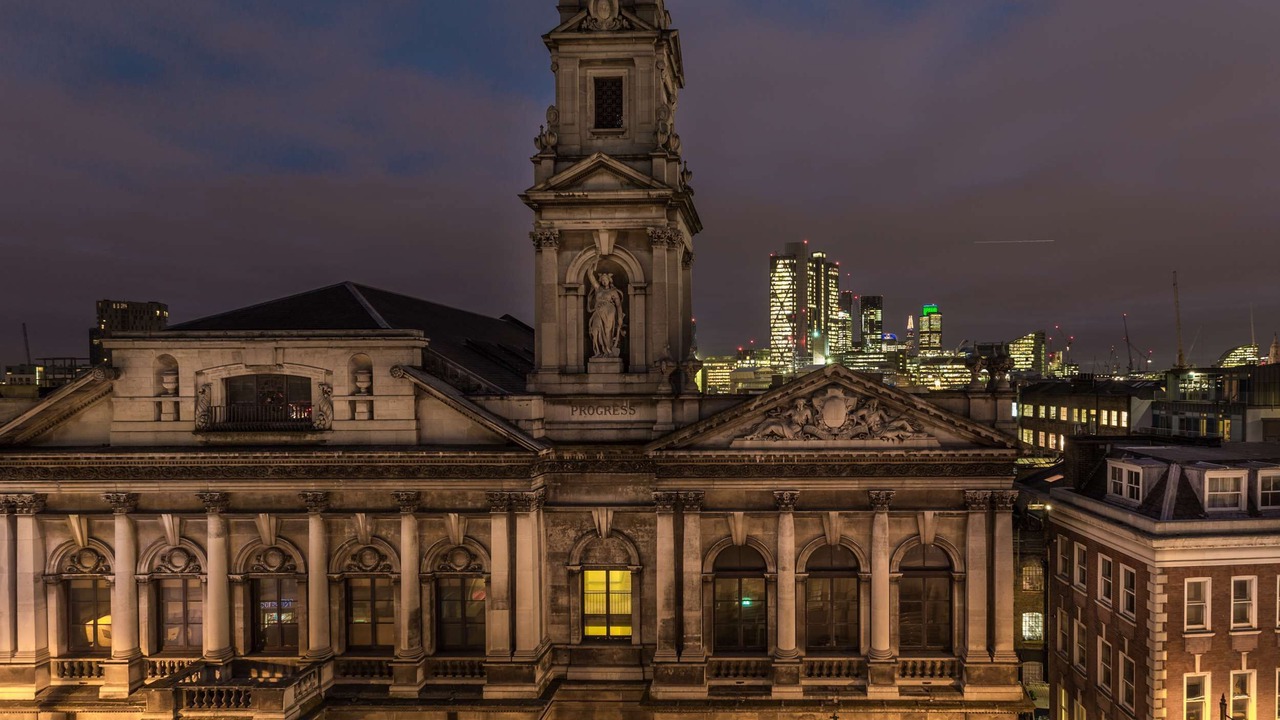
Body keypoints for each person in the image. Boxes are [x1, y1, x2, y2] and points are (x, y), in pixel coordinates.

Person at [587, 259, 625, 358]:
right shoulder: (598, 289)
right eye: (602, 280)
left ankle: (608, 351)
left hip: (609, 312)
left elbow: (618, 305)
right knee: (595, 331)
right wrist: (593, 261)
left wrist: (620, 317)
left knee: (608, 331)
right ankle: (598, 352)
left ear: (609, 280)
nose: (604, 281)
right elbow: (590, 275)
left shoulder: (613, 291)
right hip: (598, 312)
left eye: (606, 280)